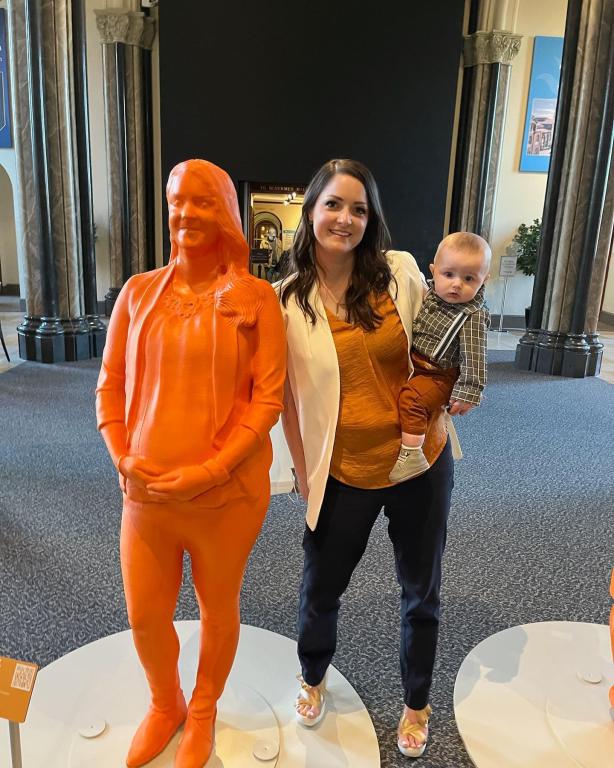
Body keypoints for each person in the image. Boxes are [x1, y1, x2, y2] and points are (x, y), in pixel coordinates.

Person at [96, 159, 286, 768]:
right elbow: (110, 383)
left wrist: (211, 470)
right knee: (145, 614)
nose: (185, 214)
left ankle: (202, 711)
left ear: (226, 213)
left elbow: (268, 400)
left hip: (225, 496)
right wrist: (120, 454)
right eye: (177, 201)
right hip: (146, 492)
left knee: (216, 606)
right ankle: (165, 703)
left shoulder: (256, 299)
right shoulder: (138, 292)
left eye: (201, 202)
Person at [276, 158, 457, 759]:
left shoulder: (400, 274)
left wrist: (463, 384)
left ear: (371, 218)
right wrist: (302, 467)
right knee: (321, 588)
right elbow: (285, 397)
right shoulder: (287, 300)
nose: (345, 219)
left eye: (359, 208)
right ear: (310, 210)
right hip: (343, 471)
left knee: (420, 591)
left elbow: (448, 334)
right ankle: (312, 676)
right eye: (334, 204)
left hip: (418, 464)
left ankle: (417, 701)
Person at [389, 232, 491, 483]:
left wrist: (468, 394)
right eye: (449, 275)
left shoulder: (472, 315)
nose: (457, 284)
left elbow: (475, 358)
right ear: (434, 271)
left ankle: (412, 455)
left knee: (412, 400)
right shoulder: (431, 295)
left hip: (440, 374)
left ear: (484, 280)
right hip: (419, 363)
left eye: (469, 278)